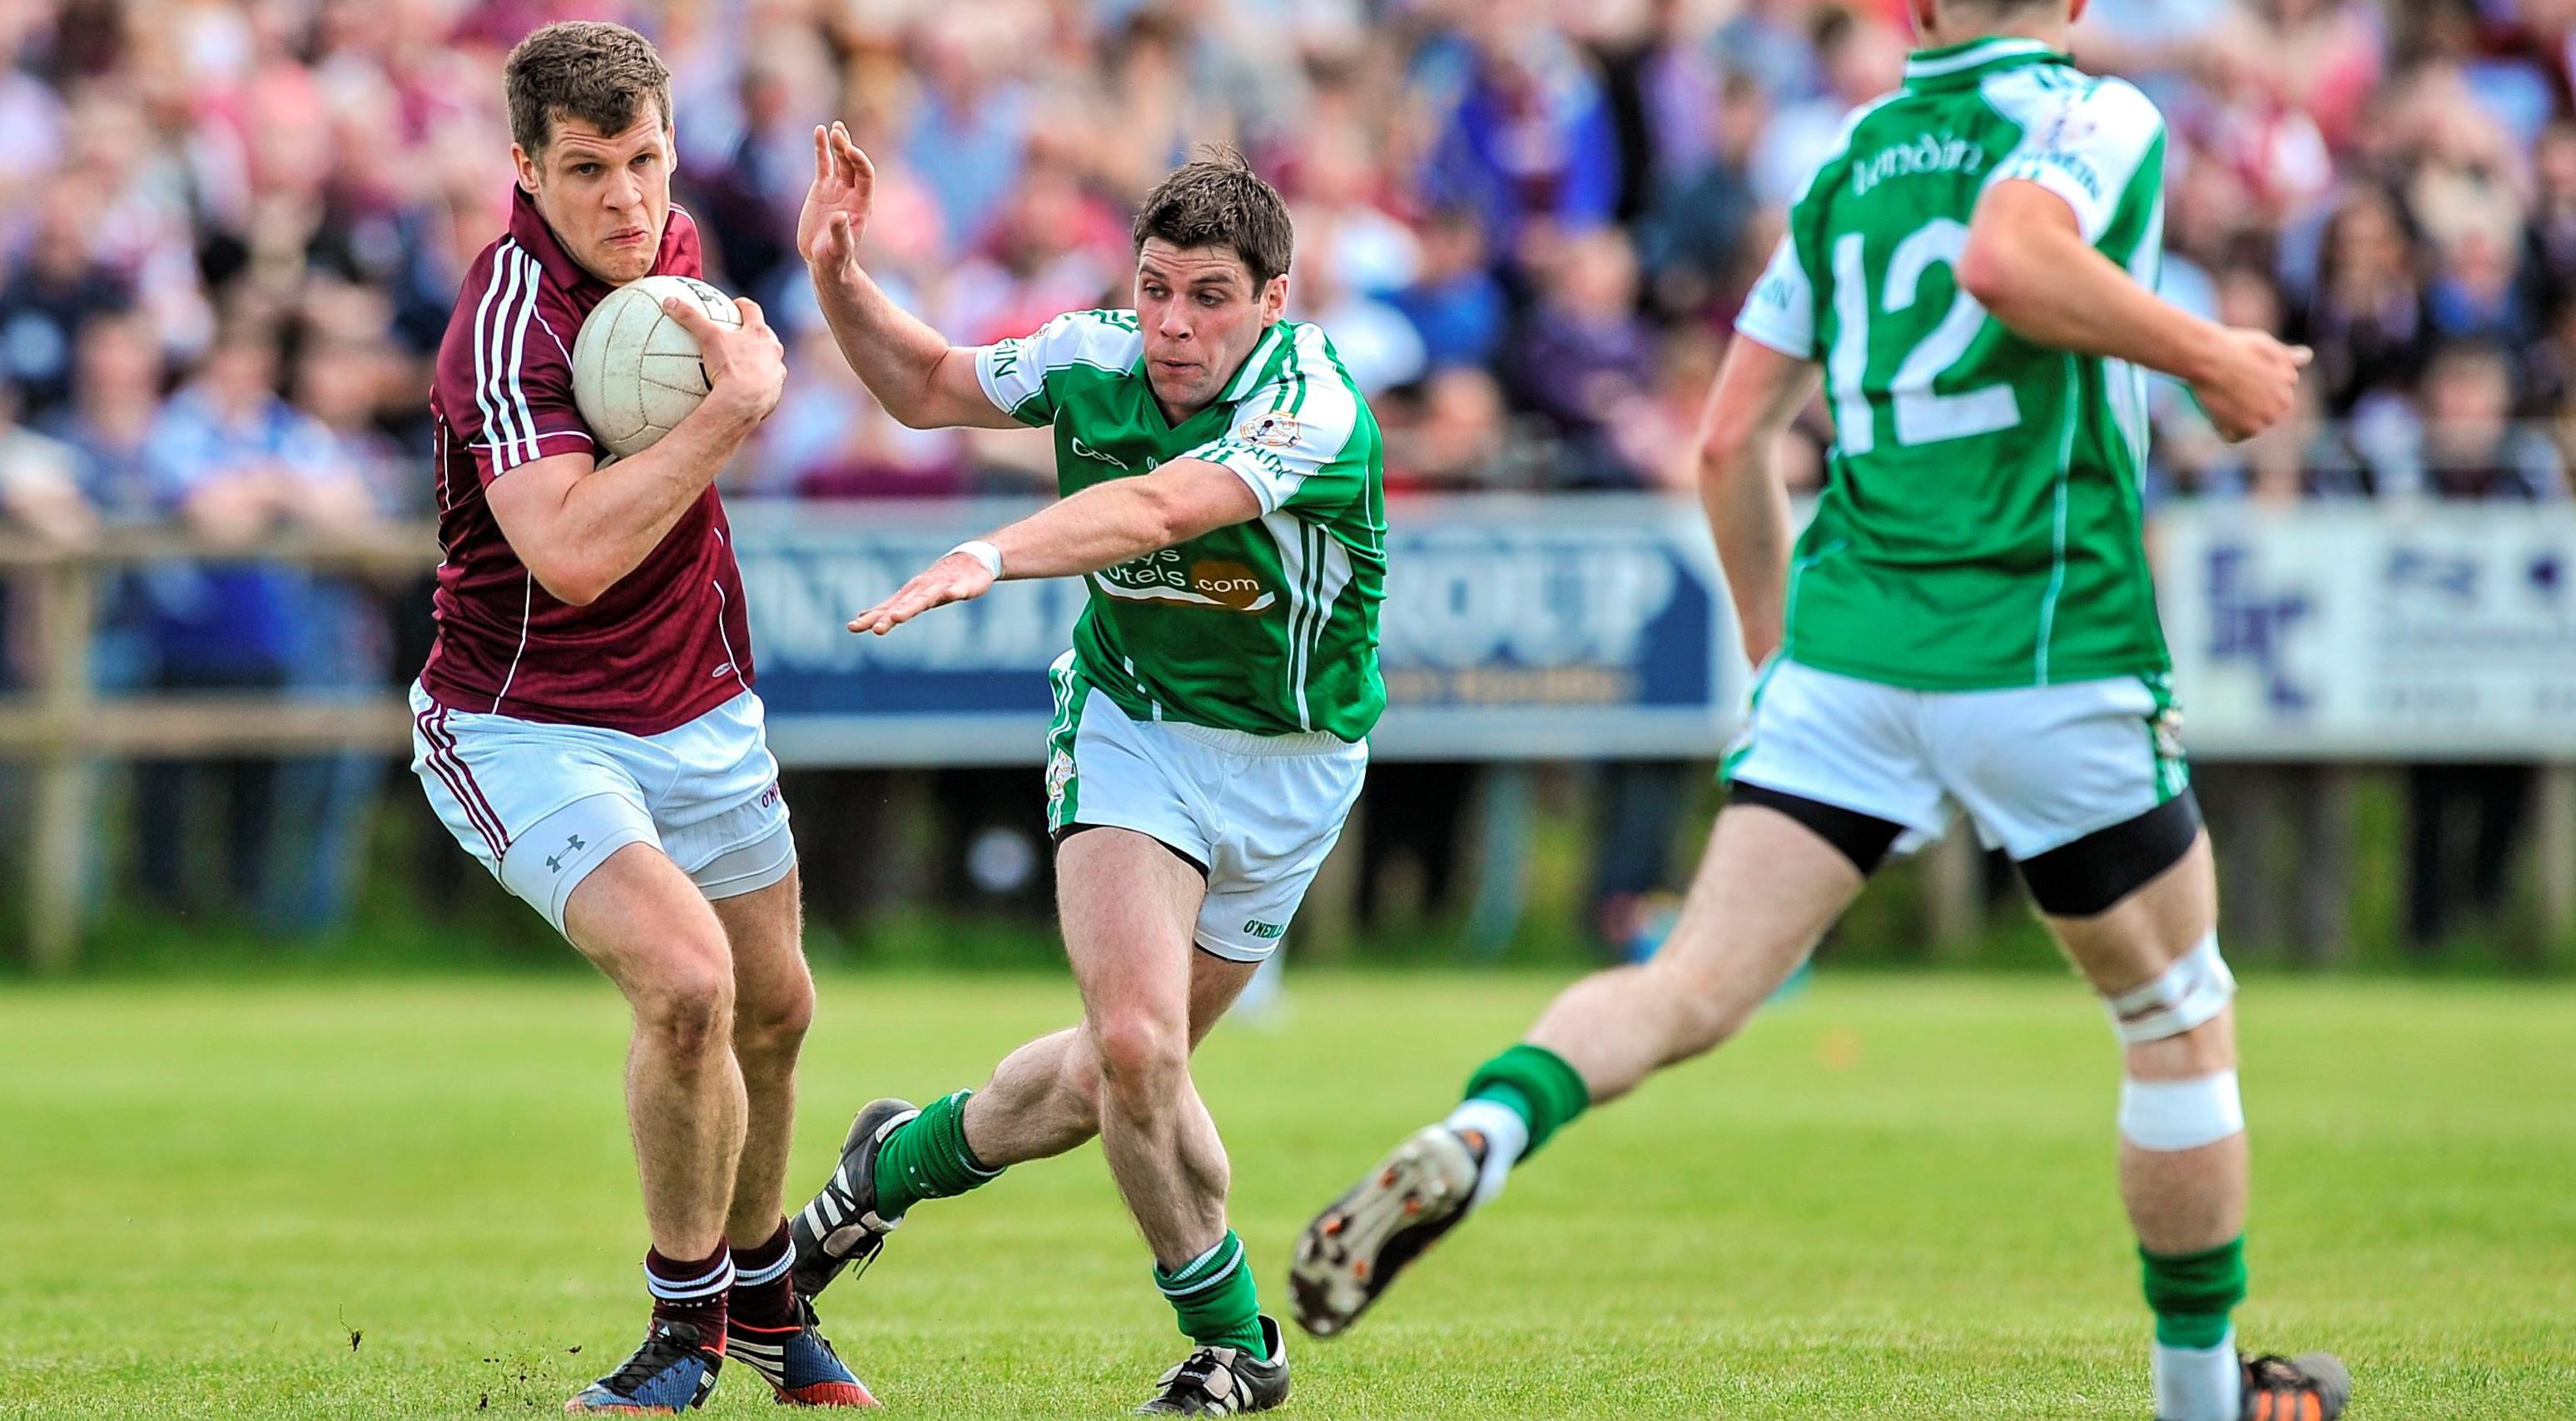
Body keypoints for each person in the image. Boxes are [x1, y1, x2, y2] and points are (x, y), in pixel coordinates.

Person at [1288, 6, 2355, 1421]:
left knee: (1688, 989)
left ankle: (1482, 1133)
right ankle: (2204, 1398)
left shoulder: (1850, 160)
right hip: (2045, 637)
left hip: (1850, 655)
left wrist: (1780, 648)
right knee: (2174, 1014)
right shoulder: (2096, 117)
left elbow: (1727, 441)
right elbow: (2008, 257)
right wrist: (2208, 352)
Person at [784, 134, 1383, 1415]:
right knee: (1132, 1045)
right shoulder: (1090, 353)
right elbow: (929, 383)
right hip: (1132, 727)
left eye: (1209, 296)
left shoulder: (1313, 399)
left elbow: (1166, 511)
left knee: (1107, 1087)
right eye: (1156, 287)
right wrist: (839, 278)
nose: (1173, 325)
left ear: (1273, 300)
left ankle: (881, 1172)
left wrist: (995, 554)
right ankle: (1237, 1345)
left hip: (1294, 772)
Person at [407, 22, 869, 1412]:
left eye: (648, 161)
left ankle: (770, 1294)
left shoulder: (671, 258)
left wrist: (826, 271)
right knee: (687, 989)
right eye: (590, 168)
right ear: (526, 172)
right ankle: (685, 1335)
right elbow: (571, 555)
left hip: (700, 700)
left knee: (777, 1012)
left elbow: (756, 363)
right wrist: (730, 416)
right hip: (522, 721)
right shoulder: (504, 325)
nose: (627, 198)